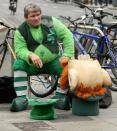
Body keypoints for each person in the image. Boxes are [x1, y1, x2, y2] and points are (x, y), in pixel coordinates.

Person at [10, 3, 75, 112]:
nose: (36, 18)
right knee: (18, 65)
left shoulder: (51, 22)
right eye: (32, 16)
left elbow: (67, 36)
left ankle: (60, 96)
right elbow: (20, 50)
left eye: (38, 15)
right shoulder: (20, 31)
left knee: (66, 67)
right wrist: (30, 55)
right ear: (26, 17)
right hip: (31, 64)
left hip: (52, 61)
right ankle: (22, 98)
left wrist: (67, 55)